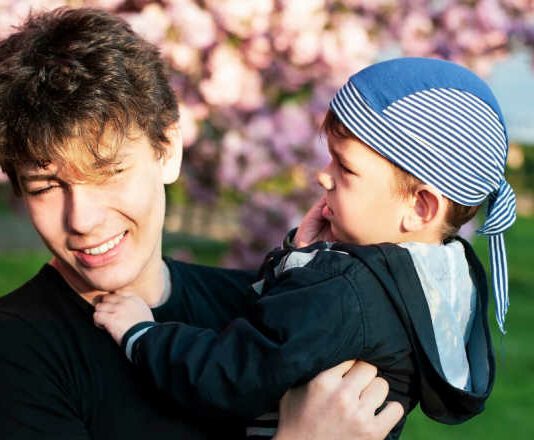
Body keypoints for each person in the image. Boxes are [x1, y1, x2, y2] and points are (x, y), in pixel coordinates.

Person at [0, 7, 403, 440]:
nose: (81, 219)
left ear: (168, 149)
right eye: (45, 187)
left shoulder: (260, 312)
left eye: (108, 173)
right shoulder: (18, 350)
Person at [94, 56, 517, 439]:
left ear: (420, 206)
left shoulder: (344, 292)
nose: (323, 176)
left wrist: (141, 334)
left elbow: (234, 372)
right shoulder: (426, 280)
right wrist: (302, 256)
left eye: (346, 167)